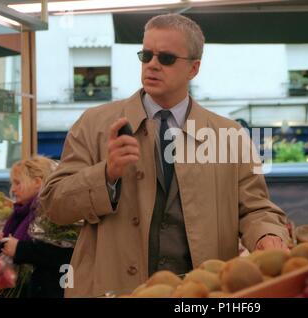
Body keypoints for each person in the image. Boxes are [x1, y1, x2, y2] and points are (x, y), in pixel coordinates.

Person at [39, 14, 291, 298]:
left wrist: (268, 234)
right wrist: (105, 175)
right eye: (146, 55)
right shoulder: (93, 124)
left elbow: (256, 208)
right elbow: (53, 205)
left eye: (167, 58)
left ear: (194, 69)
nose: (153, 65)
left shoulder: (229, 135)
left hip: (202, 293)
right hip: (110, 290)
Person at [0, 156, 74, 298]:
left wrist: (19, 249)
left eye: (17, 183)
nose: (12, 189)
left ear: (37, 182)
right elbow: (6, 256)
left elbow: (65, 257)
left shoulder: (54, 213)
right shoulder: (18, 215)